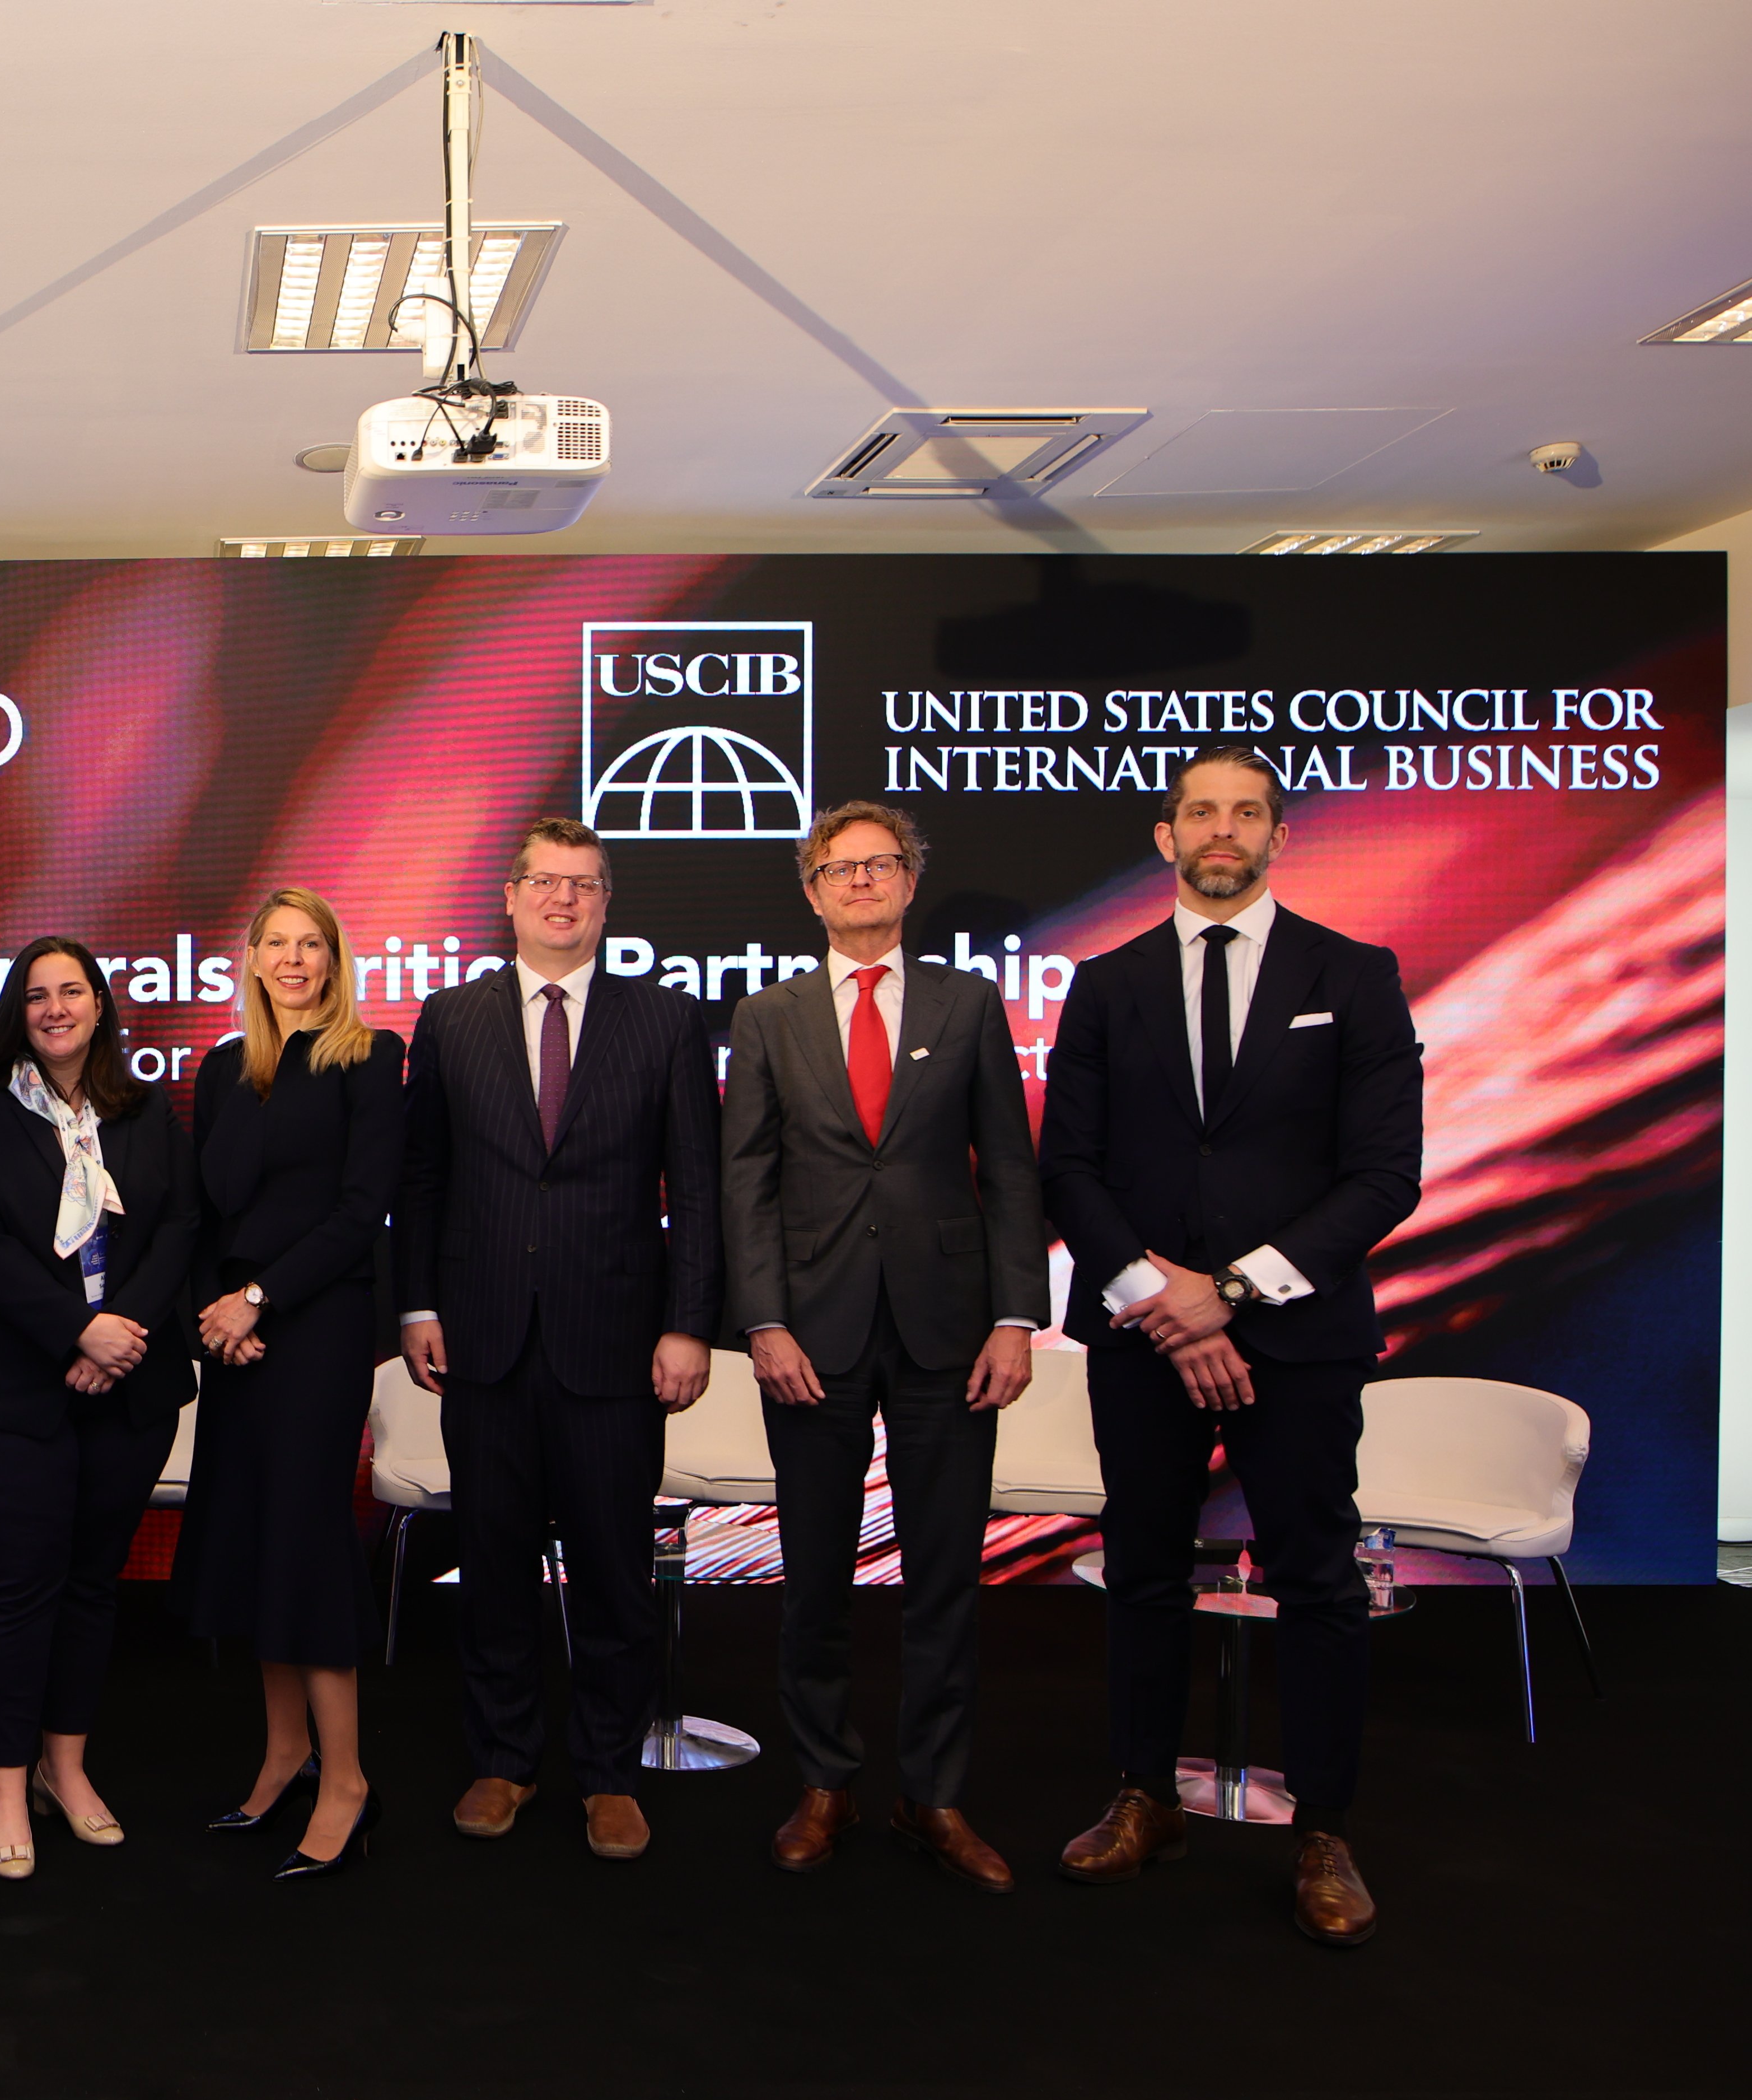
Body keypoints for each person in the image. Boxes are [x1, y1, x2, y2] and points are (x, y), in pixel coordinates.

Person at [1037, 745, 1421, 1947]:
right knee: (1142, 1571)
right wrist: (1165, 1297)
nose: (1223, 830)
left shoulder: (1355, 975)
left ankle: (1323, 1828)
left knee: (1315, 1578)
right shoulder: (1107, 983)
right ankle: (1145, 1796)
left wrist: (1236, 1294)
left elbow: (1383, 1175)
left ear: (1278, 837)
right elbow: (1070, 1168)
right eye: (1201, 810)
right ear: (1166, 837)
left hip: (1297, 1338)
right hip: (1144, 1331)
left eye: (1247, 811)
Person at [721, 804, 1046, 1894]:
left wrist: (1016, 1315)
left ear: (911, 881)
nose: (861, 881)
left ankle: (935, 1791)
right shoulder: (768, 1015)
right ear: (810, 891)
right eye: (838, 869)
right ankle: (825, 1779)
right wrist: (762, 1319)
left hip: (952, 1330)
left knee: (946, 1571)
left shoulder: (968, 1001)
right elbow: (746, 1179)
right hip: (809, 1332)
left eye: (881, 865)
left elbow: (1008, 1165)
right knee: (813, 1568)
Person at [397, 816, 721, 1864]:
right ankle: (504, 1762)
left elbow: (698, 1192)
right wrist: (416, 1308)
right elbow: (425, 1181)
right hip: (483, 1342)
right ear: (510, 894)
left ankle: (610, 1775)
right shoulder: (449, 1020)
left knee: (615, 1571)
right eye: (545, 882)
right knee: (492, 1567)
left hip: (617, 1344)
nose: (563, 900)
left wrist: (688, 1324)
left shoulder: (666, 1021)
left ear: (607, 901)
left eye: (583, 884)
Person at [0, 939, 200, 1880]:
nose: (54, 1009)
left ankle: (65, 1770)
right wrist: (74, 1334)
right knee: (14, 1591)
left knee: (91, 1585)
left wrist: (120, 1327)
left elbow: (179, 1228)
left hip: (128, 1388)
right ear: (17, 1010)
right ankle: (4, 1782)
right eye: (36, 995)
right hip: (4, 1393)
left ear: (98, 1004)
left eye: (70, 991)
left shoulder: (145, 1106)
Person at [179, 888, 402, 1882]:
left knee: (307, 1546)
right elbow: (200, 1210)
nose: (296, 959)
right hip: (238, 1343)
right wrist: (216, 1320)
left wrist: (259, 1300)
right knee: (253, 1541)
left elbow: (360, 1215)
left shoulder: (370, 1056)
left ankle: (348, 1779)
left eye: (314, 944)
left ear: (335, 956)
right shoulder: (225, 1068)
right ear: (254, 957)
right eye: (279, 943)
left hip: (315, 1331)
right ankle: (283, 1755)